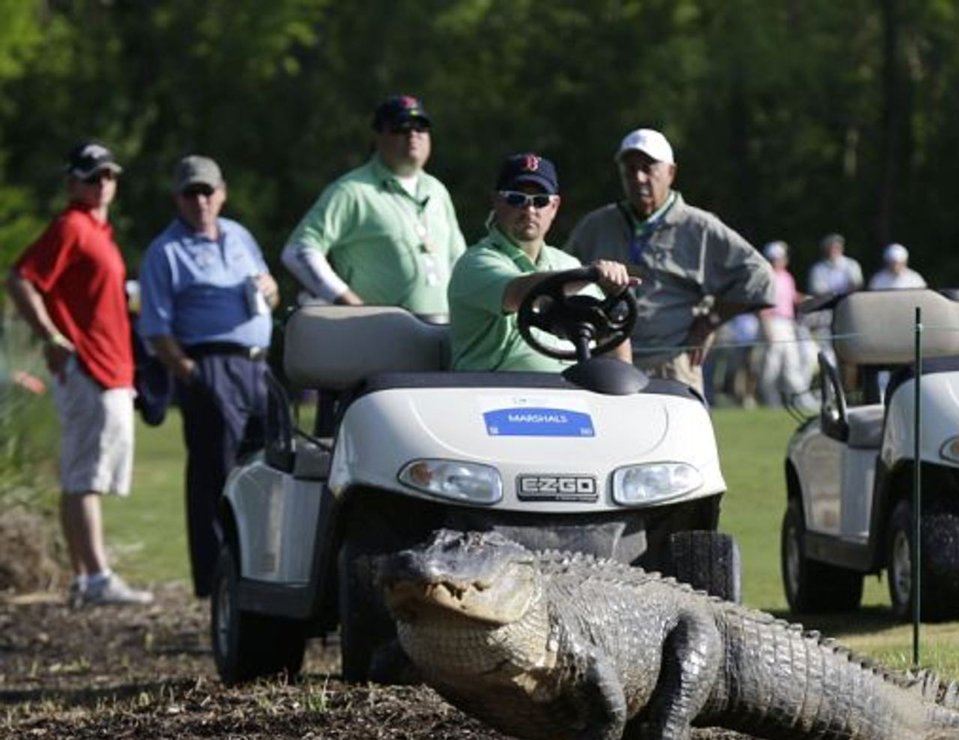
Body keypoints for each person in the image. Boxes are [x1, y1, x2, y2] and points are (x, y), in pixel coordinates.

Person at [5, 141, 151, 606]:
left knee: (88, 475)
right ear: (72, 182)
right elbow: (21, 278)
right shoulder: (70, 226)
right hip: (88, 366)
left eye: (108, 175)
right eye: (92, 177)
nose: (102, 184)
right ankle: (96, 578)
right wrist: (50, 336)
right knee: (84, 477)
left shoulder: (97, 232)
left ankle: (87, 576)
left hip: (109, 368)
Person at [137, 156, 281, 598]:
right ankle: (219, 581)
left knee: (273, 470)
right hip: (209, 365)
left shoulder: (239, 235)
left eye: (207, 191)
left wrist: (272, 292)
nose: (200, 201)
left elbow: (268, 290)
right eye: (190, 193)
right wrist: (192, 374)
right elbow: (155, 329)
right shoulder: (165, 251)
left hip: (258, 364)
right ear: (178, 198)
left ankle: (265, 568)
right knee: (215, 475)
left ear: (222, 192)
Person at [566, 128, 773, 393]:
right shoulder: (597, 225)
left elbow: (760, 276)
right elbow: (562, 276)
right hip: (607, 364)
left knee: (680, 435)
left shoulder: (699, 226)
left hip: (671, 364)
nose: (638, 178)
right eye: (629, 169)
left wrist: (710, 321)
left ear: (671, 173)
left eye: (648, 167)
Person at [281, 94, 466, 317]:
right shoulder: (353, 190)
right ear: (378, 136)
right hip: (381, 335)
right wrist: (353, 307)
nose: (413, 134)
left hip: (444, 331)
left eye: (421, 127)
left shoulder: (436, 190)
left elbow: (459, 262)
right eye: (402, 126)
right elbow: (299, 250)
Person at [449, 152, 633, 372]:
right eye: (517, 198)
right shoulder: (475, 262)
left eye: (540, 201)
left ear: (554, 207)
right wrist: (591, 274)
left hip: (569, 397)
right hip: (488, 395)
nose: (529, 210)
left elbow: (610, 333)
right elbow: (518, 293)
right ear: (497, 201)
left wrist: (614, 303)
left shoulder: (568, 264)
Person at [757, 241, 818, 410]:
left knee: (791, 363)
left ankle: (800, 398)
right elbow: (762, 304)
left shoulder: (786, 277)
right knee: (772, 366)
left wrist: (807, 299)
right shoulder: (766, 277)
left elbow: (792, 297)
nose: (780, 261)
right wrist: (766, 327)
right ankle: (771, 400)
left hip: (787, 324)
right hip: (773, 323)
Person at [865, 243, 927, 400]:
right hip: (885, 329)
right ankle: (883, 396)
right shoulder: (878, 280)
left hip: (909, 329)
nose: (896, 266)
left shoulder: (915, 279)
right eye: (893, 262)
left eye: (898, 262)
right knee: (883, 363)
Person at [805, 232, 863, 357]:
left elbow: (856, 288)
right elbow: (818, 293)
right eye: (831, 247)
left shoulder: (852, 265)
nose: (834, 250)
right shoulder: (818, 269)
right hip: (826, 315)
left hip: (848, 313)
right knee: (827, 350)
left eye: (836, 247)